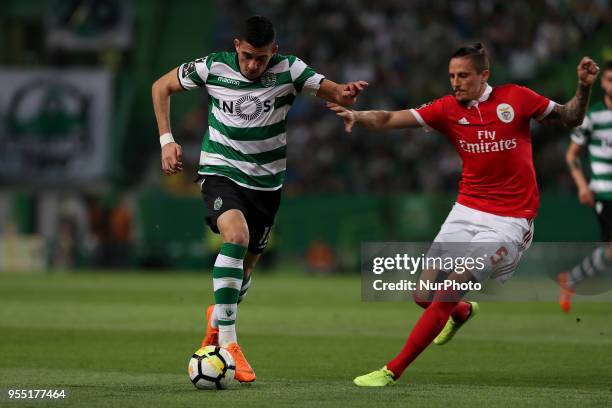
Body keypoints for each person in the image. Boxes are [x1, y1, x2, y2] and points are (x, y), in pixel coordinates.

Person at [328, 43, 599, 386]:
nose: (455, 82)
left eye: (463, 76)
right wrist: (357, 115)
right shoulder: (446, 109)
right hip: (466, 210)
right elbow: (390, 118)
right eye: (452, 76)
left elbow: (570, 116)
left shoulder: (515, 98)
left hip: (507, 221)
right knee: (423, 295)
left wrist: (584, 87)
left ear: (484, 75)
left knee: (446, 291)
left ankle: (391, 371)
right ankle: (463, 311)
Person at [151, 15, 367, 383]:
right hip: (220, 169)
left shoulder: (290, 70)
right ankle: (230, 343)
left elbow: (331, 90)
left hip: (266, 184)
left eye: (262, 58)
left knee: (245, 270)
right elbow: (160, 87)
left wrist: (345, 95)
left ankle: (217, 318)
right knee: (235, 237)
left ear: (275, 52)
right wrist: (167, 140)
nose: (253, 65)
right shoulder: (212, 66)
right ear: (237, 45)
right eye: (248, 55)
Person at [558, 60, 612, 313]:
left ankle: (571, 279)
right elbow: (572, 155)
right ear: (603, 83)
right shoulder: (593, 117)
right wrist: (582, 186)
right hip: (604, 192)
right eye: (610, 80)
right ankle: (572, 279)